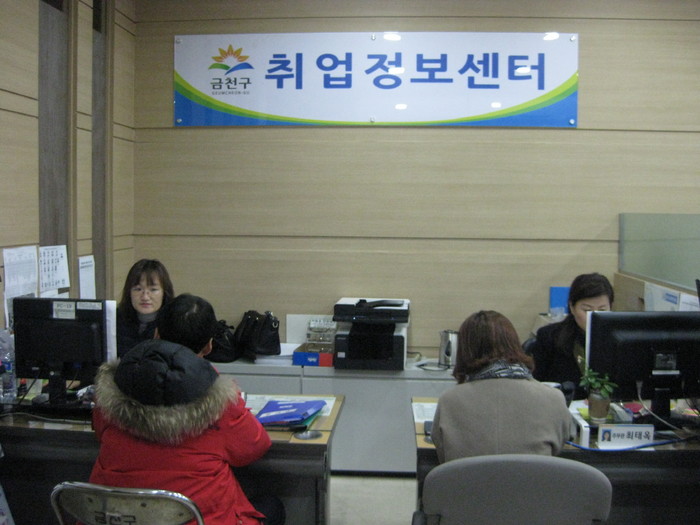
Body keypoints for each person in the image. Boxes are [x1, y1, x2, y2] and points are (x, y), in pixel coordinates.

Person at [90, 293, 284, 525]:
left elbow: (99, 429)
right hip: (198, 519)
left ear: (157, 333)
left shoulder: (116, 384)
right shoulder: (217, 396)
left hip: (119, 519)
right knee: (271, 507)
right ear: (209, 345)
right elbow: (254, 446)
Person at [431, 310, 571, 463]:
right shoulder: (553, 398)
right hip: (533, 479)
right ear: (514, 344)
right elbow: (558, 449)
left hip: (467, 479)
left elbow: (442, 456)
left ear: (464, 351)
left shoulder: (449, 401)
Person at [530, 273, 614, 399]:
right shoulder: (549, 337)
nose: (594, 317)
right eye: (587, 310)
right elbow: (535, 386)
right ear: (572, 307)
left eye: (602, 310)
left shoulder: (618, 339)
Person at [116, 258, 175, 357]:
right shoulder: (115, 319)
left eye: (153, 290)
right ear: (129, 292)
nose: (145, 297)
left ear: (164, 292)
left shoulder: (173, 323)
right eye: (138, 289)